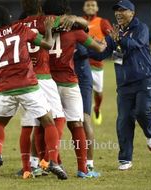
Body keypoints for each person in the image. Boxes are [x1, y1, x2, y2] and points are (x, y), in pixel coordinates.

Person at [0, 5, 68, 180]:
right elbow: (48, 45)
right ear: (9, 17)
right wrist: (48, 29)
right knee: (48, 122)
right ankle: (54, 161)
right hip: (28, 85)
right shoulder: (20, 28)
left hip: (5, 89)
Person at [16, 0, 92, 178]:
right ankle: (81, 168)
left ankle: (34, 164)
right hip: (63, 81)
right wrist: (74, 20)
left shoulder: (21, 26)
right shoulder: (58, 24)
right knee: (73, 123)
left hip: (33, 80)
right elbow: (93, 40)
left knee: (37, 125)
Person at [89, 0, 151, 170]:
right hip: (125, 83)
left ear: (132, 13)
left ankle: (150, 133)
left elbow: (137, 45)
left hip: (145, 78)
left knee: (142, 111)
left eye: (123, 10)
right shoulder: (114, 33)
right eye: (116, 11)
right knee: (124, 120)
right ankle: (125, 159)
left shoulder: (141, 28)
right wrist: (86, 44)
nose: (118, 13)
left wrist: (118, 38)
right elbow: (101, 54)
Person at [43, 0, 106, 178]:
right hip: (69, 83)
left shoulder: (41, 28)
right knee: (76, 124)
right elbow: (98, 48)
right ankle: (83, 169)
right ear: (64, 14)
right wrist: (104, 44)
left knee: (51, 125)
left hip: (48, 83)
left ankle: (56, 163)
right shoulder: (74, 30)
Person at [83, 0, 112, 126]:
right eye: (88, 5)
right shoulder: (78, 21)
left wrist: (102, 44)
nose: (90, 7)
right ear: (84, 8)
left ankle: (97, 108)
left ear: (97, 8)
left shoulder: (102, 22)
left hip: (96, 64)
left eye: (93, 5)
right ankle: (83, 115)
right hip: (82, 63)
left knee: (98, 92)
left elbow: (111, 38)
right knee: (82, 91)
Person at [74, 43, 100, 177]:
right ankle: (40, 162)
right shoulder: (58, 30)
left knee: (84, 118)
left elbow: (99, 53)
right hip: (63, 79)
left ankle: (89, 164)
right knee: (49, 119)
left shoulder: (77, 32)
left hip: (81, 78)